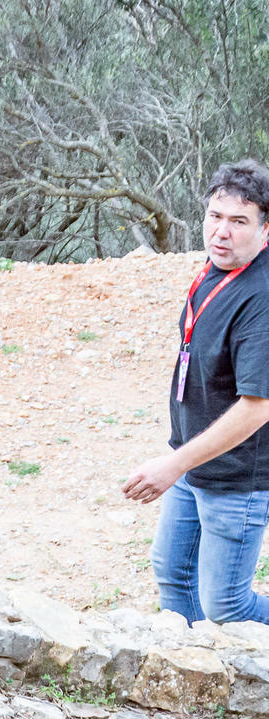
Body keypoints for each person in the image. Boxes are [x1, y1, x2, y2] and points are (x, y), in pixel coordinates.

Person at [125, 159, 269, 623]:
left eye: (239, 221)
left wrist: (173, 465)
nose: (222, 232)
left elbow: (257, 408)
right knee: (174, 572)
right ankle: (189, 664)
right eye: (215, 216)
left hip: (238, 476)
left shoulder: (262, 297)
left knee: (227, 604)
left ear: (265, 229)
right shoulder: (219, 266)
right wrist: (182, 460)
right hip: (195, 460)